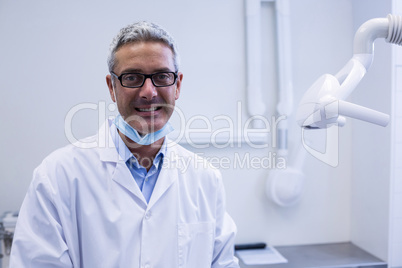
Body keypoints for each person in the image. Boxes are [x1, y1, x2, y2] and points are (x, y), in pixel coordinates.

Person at [10, 21, 239, 267]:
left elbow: (221, 262)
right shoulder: (57, 176)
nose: (149, 92)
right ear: (112, 86)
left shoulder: (205, 178)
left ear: (178, 85)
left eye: (162, 76)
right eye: (133, 77)